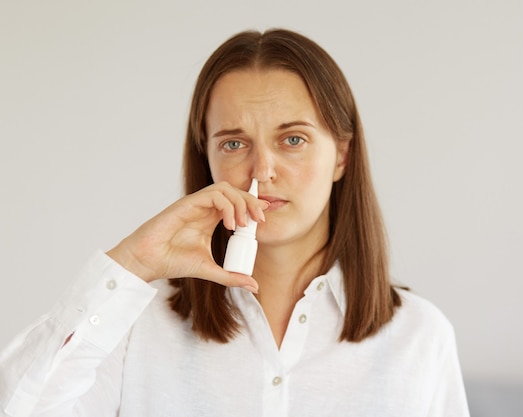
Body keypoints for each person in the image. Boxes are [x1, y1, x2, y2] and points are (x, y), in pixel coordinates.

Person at [0, 29, 470, 416]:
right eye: (232, 143)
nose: (261, 171)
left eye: (292, 139)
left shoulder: (420, 337)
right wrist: (131, 265)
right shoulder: (136, 324)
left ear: (342, 156)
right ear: (206, 158)